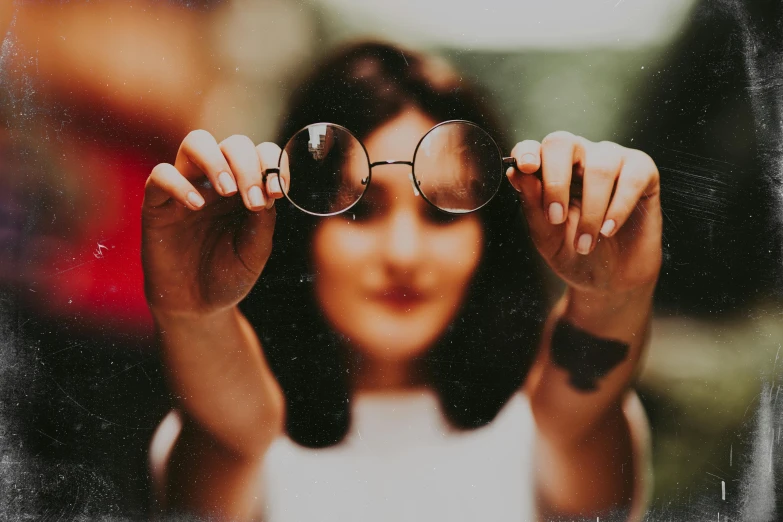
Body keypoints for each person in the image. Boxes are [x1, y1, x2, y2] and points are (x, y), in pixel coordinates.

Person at [142, 42, 661, 521]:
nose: (403, 254)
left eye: (443, 214)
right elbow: (227, 439)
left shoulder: (546, 424)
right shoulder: (232, 430)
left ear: (490, 234)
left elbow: (581, 418)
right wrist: (194, 315)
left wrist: (613, 296)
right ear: (297, 227)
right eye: (360, 212)